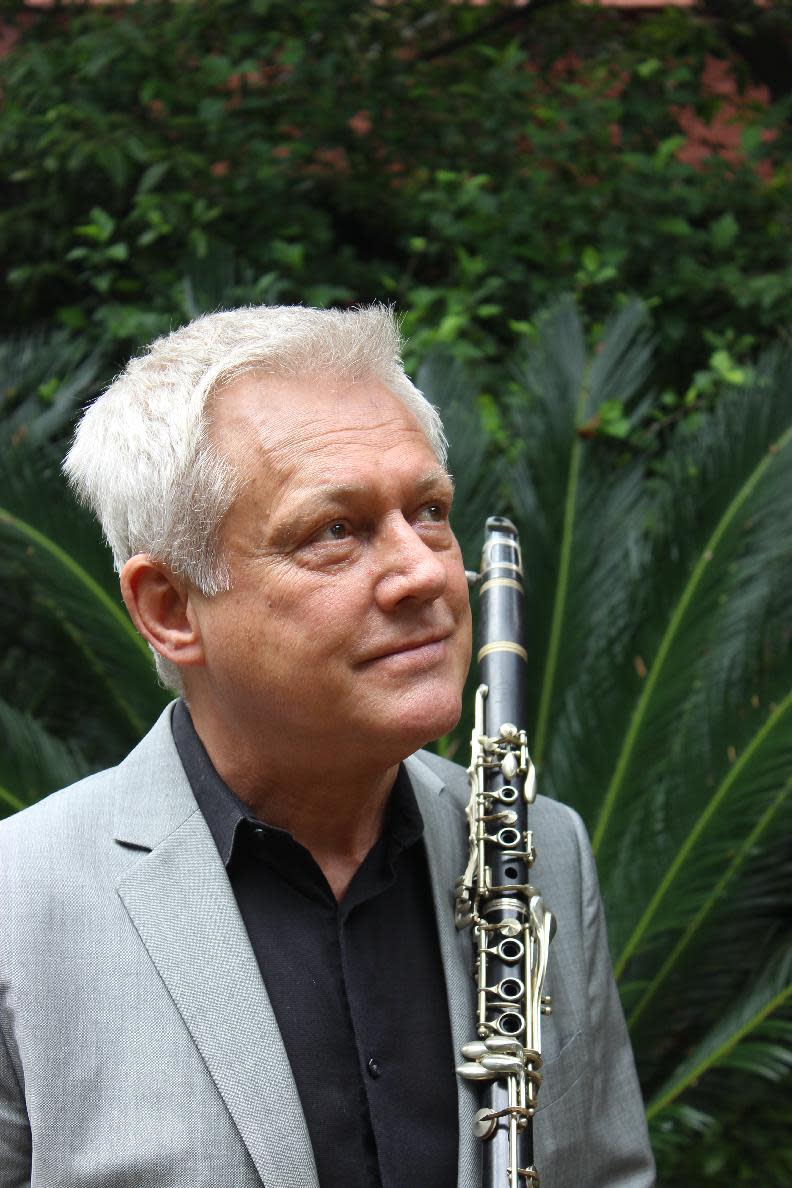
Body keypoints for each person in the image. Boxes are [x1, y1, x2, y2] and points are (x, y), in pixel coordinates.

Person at [0, 305, 654, 1188]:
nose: (426, 571)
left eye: (428, 510)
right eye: (334, 531)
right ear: (168, 607)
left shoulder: (547, 849)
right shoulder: (18, 906)